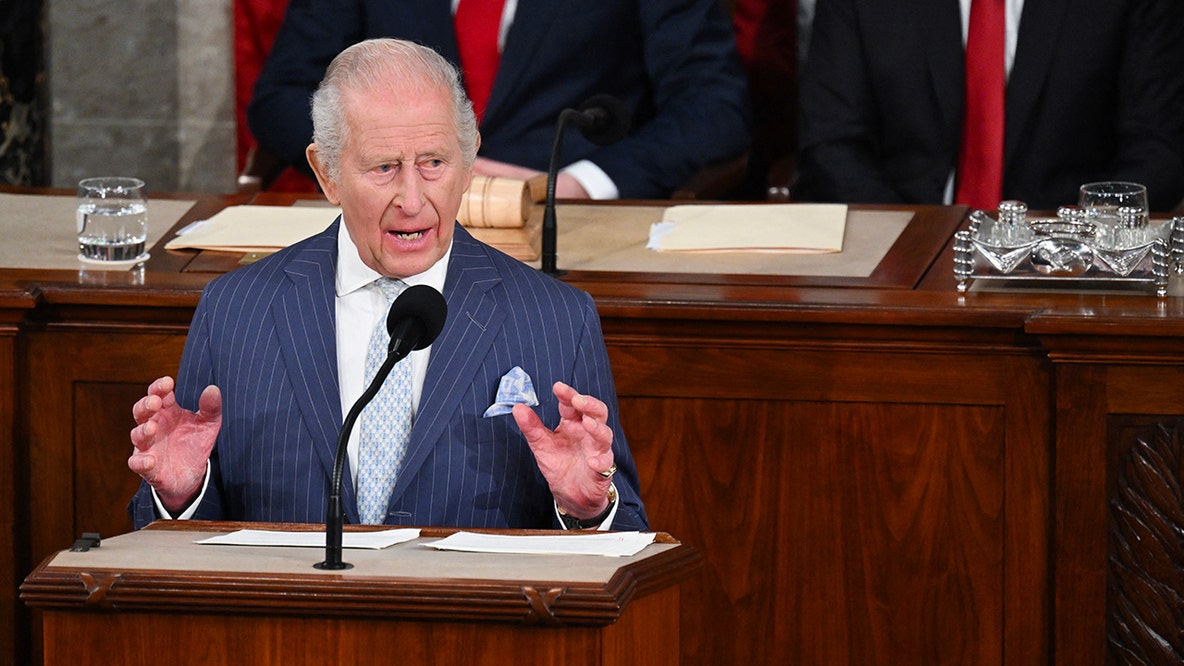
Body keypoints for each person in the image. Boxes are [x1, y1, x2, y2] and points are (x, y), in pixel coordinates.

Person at [127, 38, 647, 532]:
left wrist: (587, 509)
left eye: (434, 163)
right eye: (384, 167)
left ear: (468, 164)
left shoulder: (556, 318)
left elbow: (626, 538)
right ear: (326, 173)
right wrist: (179, 496)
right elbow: (168, 543)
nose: (413, 199)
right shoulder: (236, 311)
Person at [246, 0, 751, 200]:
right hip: (385, 217)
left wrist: (576, 185)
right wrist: (384, 164)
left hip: (557, 224)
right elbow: (281, 97)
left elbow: (713, 107)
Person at [794, 0, 1184, 212]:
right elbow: (831, 142)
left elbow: (1158, 148)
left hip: (1071, 265)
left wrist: (1075, 242)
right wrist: (915, 241)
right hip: (903, 260)